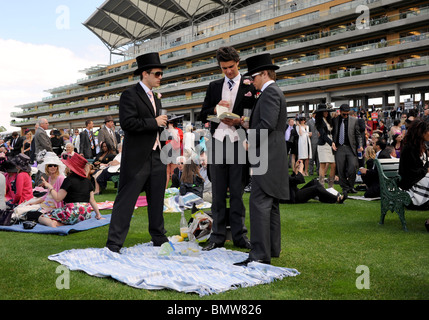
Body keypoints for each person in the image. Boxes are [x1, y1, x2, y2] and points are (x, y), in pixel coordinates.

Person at [106, 52, 169, 253]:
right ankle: (114, 243)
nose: (160, 77)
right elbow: (127, 123)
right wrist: (155, 122)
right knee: (126, 200)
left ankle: (159, 237)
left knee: (157, 199)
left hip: (157, 155)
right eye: (157, 74)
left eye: (161, 74)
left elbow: (153, 126)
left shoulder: (156, 99)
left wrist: (163, 125)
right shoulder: (129, 95)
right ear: (145, 74)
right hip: (137, 157)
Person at [235, 53, 289, 266]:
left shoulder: (269, 93)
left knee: (259, 204)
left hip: (266, 156)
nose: (250, 81)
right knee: (271, 204)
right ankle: (272, 249)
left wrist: (249, 139)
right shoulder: (272, 93)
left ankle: (259, 253)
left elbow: (266, 126)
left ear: (265, 74)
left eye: (253, 77)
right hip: (272, 156)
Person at [199, 46, 255, 251]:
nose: (228, 71)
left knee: (238, 193)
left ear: (238, 62)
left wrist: (241, 121)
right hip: (217, 143)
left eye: (231, 67)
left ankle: (240, 235)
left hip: (240, 143)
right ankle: (217, 236)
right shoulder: (214, 86)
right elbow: (203, 114)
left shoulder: (250, 85)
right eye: (224, 68)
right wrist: (215, 109)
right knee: (218, 192)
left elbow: (254, 113)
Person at [38, 153, 102, 228]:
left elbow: (58, 198)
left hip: (71, 213)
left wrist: (49, 186)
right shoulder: (87, 181)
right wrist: (98, 215)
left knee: (41, 217)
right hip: (86, 214)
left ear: (70, 168)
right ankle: (62, 223)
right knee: (68, 216)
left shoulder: (68, 180)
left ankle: (55, 224)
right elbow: (92, 200)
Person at [16, 152, 66, 219]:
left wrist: (48, 186)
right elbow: (47, 195)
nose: (53, 167)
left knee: (23, 210)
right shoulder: (50, 177)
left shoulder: (60, 178)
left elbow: (59, 198)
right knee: (24, 206)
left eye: (55, 165)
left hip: (53, 206)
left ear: (58, 167)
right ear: (47, 167)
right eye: (50, 165)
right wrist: (34, 202)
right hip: (45, 203)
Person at [332, 104, 363, 195]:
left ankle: (351, 186)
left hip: (351, 147)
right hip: (339, 147)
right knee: (340, 169)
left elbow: (358, 135)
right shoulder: (335, 120)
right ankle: (345, 188)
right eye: (344, 114)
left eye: (347, 114)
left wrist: (360, 145)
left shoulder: (354, 120)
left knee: (352, 168)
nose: (346, 116)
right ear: (340, 112)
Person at [398, 120, 429, 210]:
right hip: (411, 186)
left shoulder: (423, 147)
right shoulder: (409, 149)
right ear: (421, 132)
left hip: (420, 180)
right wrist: (426, 170)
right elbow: (411, 172)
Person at [315, 103, 336, 188]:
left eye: (327, 111)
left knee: (333, 164)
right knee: (322, 165)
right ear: (321, 112)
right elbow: (323, 135)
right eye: (325, 111)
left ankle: (331, 185)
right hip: (323, 145)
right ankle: (321, 185)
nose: (327, 113)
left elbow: (333, 132)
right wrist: (331, 143)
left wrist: (333, 142)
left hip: (331, 143)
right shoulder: (319, 122)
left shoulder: (330, 120)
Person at [165, 119, 183, 188]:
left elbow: (179, 140)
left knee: (172, 172)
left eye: (171, 122)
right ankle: (167, 189)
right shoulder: (168, 131)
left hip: (173, 152)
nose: (170, 124)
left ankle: (171, 189)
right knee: (168, 172)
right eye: (169, 122)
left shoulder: (178, 130)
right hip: (169, 152)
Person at [307, 111, 319, 176]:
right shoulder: (309, 122)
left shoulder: (319, 121)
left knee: (318, 158)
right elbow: (307, 131)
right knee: (312, 157)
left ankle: (318, 171)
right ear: (313, 115)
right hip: (312, 142)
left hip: (319, 142)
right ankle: (310, 171)